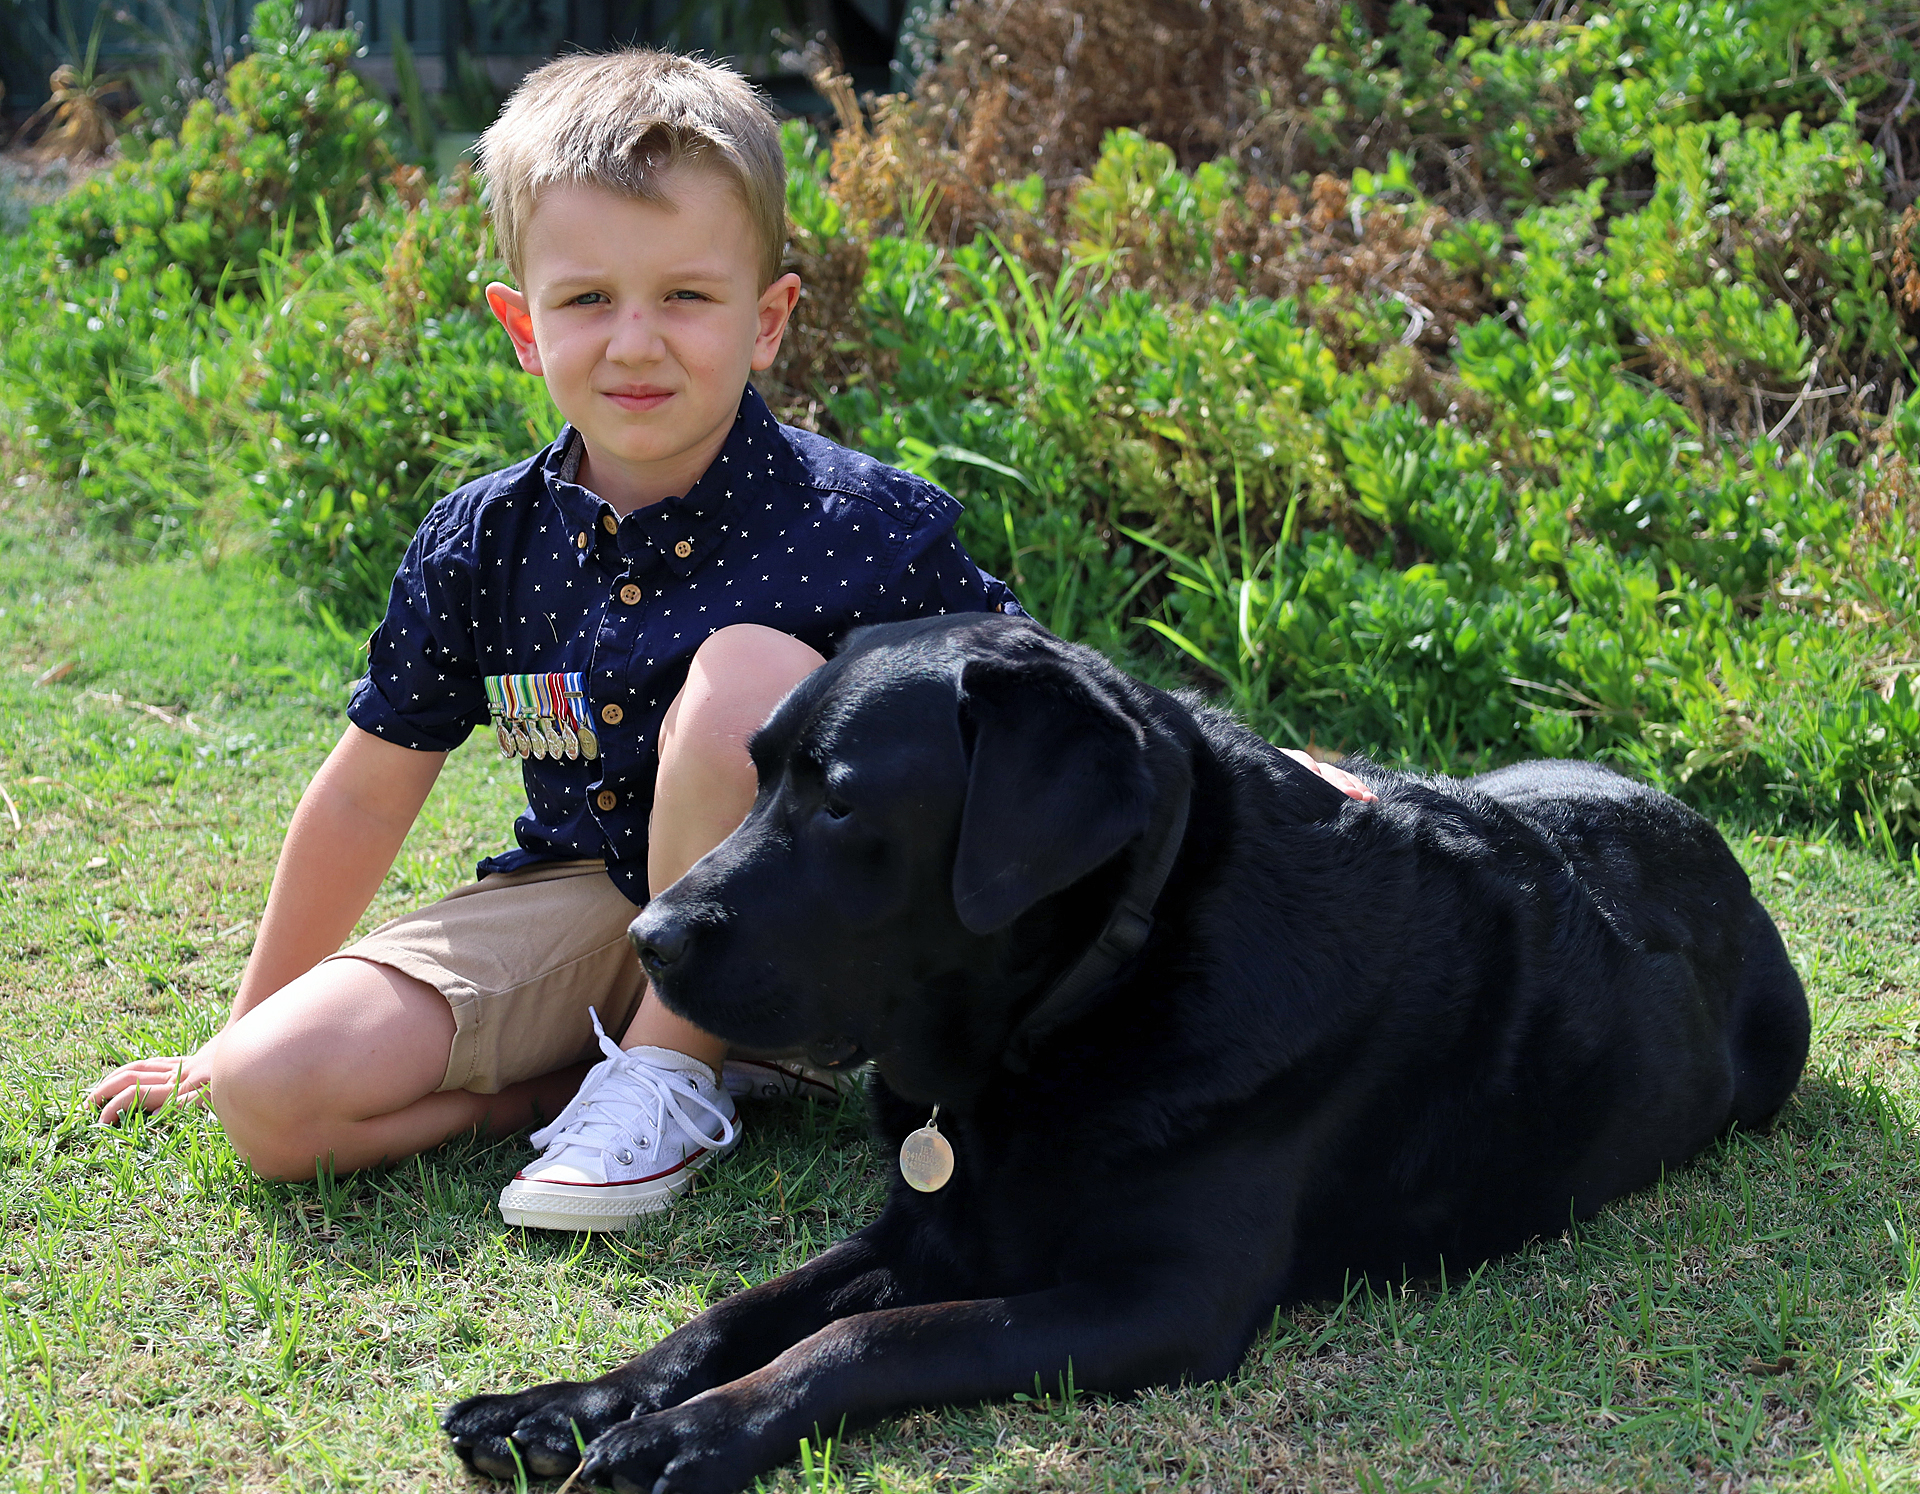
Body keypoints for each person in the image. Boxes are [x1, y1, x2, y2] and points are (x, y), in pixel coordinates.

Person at [88, 48, 1371, 1231]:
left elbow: (1044, 700)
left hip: (810, 914)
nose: (635, 341)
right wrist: (234, 1029)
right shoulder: (480, 540)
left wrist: (1275, 773)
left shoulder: (864, 522)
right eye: (586, 298)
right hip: (587, 896)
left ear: (766, 318)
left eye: (687, 296)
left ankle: (666, 1074)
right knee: (272, 1101)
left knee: (746, 674)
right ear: (522, 325)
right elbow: (369, 793)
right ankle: (599, 1082)